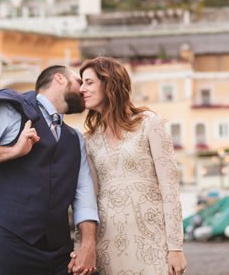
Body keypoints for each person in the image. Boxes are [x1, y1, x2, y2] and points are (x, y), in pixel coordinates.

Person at [0, 65, 99, 275]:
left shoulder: (75, 139)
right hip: (10, 247)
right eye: (79, 81)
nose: (84, 89)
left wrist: (88, 245)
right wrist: (13, 151)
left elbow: (84, 195)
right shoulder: (12, 111)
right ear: (60, 78)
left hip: (60, 253)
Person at [77, 56, 187, 275]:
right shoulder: (89, 140)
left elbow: (170, 188)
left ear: (110, 83)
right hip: (108, 243)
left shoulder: (149, 123)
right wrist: (84, 246)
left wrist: (175, 247)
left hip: (153, 243)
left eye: (89, 82)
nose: (81, 89)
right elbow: (89, 196)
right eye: (81, 83)